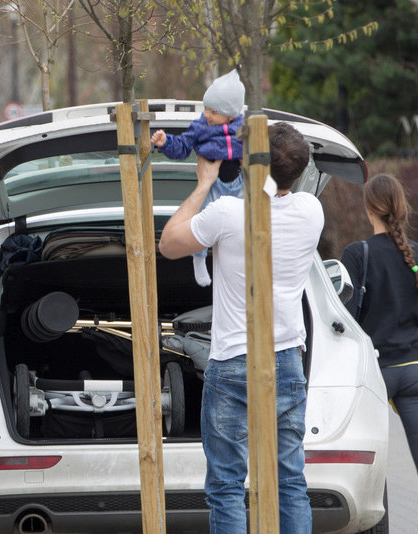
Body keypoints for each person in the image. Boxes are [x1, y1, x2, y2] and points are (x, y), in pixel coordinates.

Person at [159, 122, 318, 534]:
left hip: (232, 362)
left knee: (228, 486)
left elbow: (169, 243)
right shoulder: (311, 212)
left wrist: (204, 182)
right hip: (287, 359)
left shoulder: (228, 213)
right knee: (291, 483)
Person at [340, 174, 418, 532]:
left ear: (369, 209)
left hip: (375, 377)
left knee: (370, 465)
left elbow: (345, 320)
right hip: (415, 374)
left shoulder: (356, 254)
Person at [152, 69, 246, 287]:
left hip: (241, 183)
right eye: (205, 108)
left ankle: (243, 258)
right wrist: (166, 143)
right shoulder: (200, 127)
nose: (207, 114)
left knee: (246, 221)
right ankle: (199, 258)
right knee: (201, 219)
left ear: (230, 115)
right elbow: (183, 147)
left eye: (213, 111)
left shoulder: (244, 129)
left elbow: (262, 155)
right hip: (212, 185)